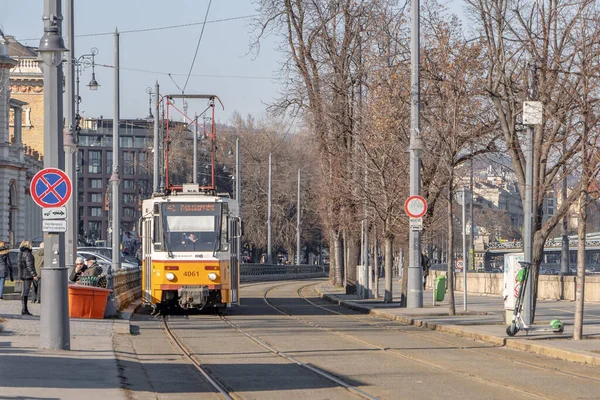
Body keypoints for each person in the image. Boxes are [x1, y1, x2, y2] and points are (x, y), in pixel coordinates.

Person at [17, 240, 37, 316]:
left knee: (24, 292)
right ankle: (24, 309)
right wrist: (34, 274)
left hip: (22, 274)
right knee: (26, 292)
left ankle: (24, 308)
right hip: (27, 275)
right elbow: (30, 266)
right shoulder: (28, 254)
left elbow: (19, 265)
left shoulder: (20, 253)